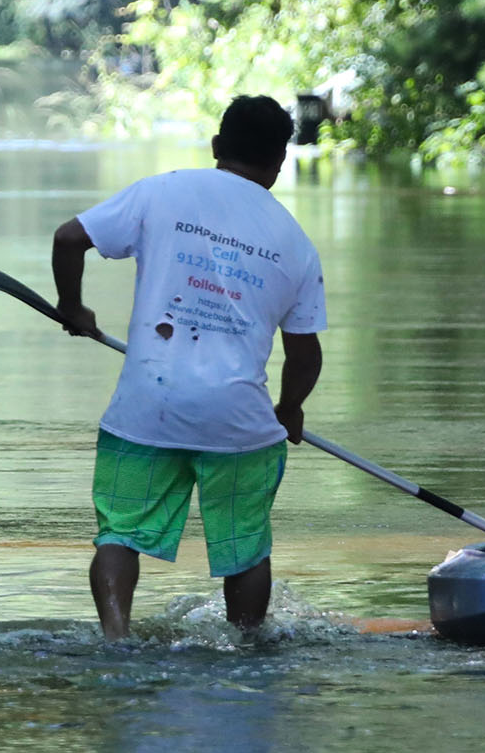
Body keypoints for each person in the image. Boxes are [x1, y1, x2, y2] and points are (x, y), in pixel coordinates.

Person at [51, 94, 325, 638]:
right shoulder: (296, 243)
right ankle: (246, 647)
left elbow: (68, 239)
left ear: (218, 146)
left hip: (148, 407)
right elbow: (305, 353)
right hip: (239, 419)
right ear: (280, 162)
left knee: (119, 534)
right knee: (245, 547)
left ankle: (115, 641)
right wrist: (290, 409)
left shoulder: (163, 190)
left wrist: (72, 306)